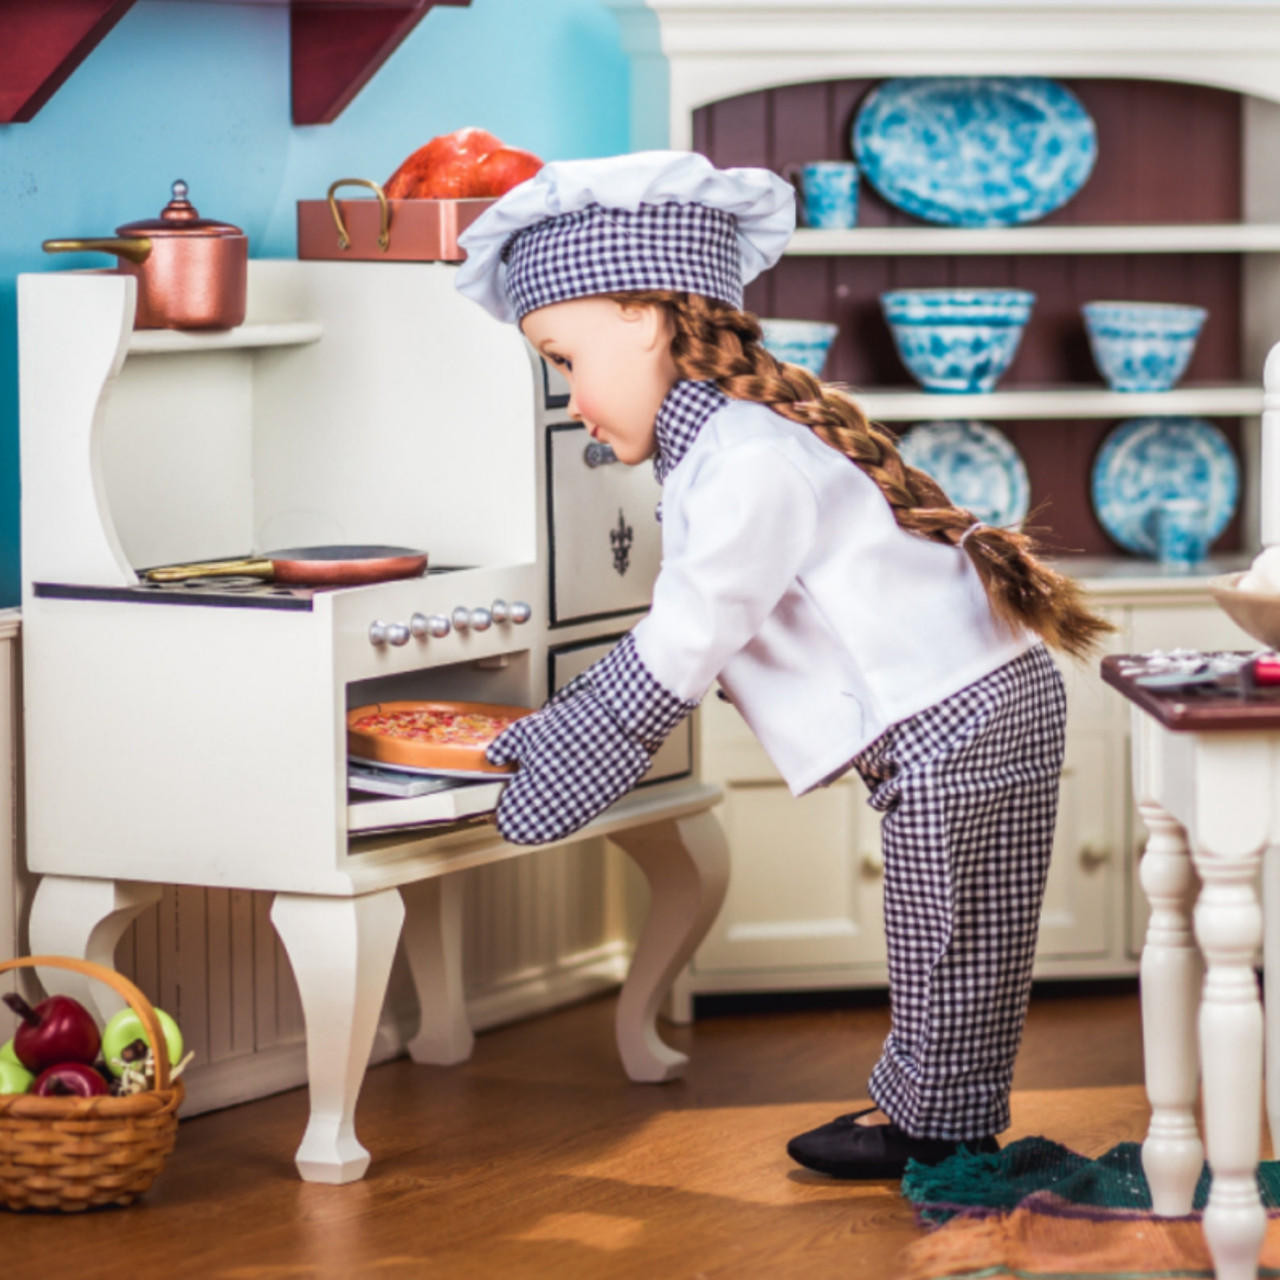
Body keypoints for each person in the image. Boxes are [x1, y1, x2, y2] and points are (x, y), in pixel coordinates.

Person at [453, 151, 1110, 1180]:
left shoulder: (744, 455)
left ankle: (933, 1126)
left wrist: (580, 735)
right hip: (979, 697)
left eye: (565, 358)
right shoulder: (729, 441)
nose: (572, 397)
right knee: (962, 927)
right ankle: (938, 1114)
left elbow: (694, 625)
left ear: (640, 312)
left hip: (961, 708)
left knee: (948, 928)